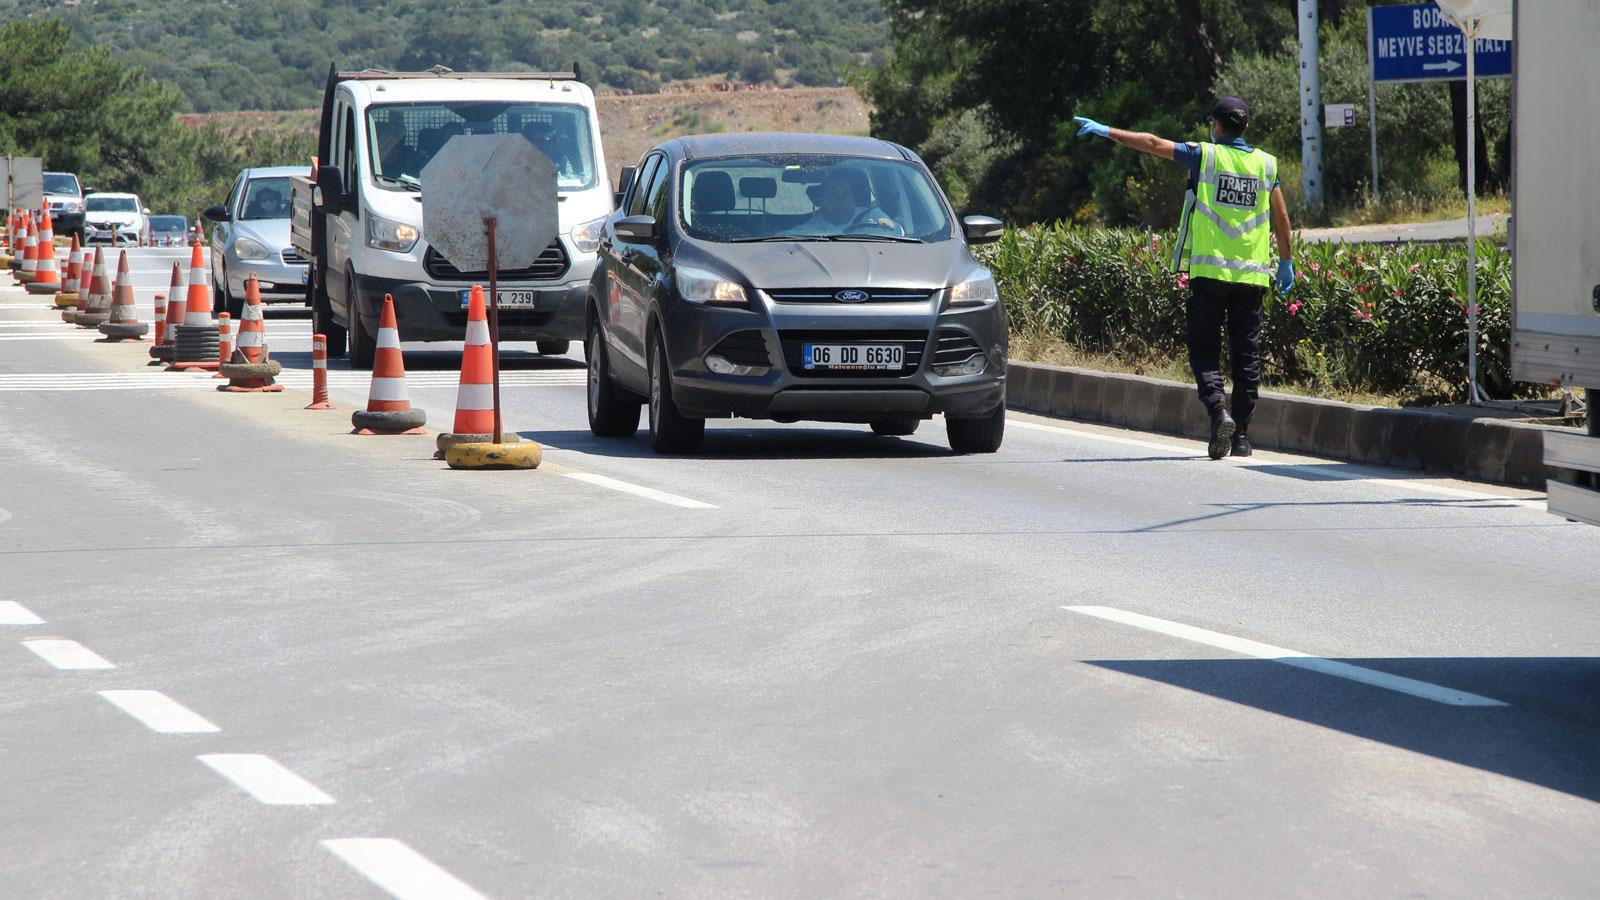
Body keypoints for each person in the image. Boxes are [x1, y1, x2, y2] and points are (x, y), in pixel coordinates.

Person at [1073, 97, 1294, 460]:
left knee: (1204, 349)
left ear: (1216, 126)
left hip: (1209, 273)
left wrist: (1108, 131)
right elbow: (1281, 217)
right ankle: (1241, 436)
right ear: (1246, 129)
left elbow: (1153, 143)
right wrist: (1286, 261)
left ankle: (1217, 411)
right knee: (1246, 356)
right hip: (1252, 277)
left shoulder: (1204, 155)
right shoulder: (1266, 164)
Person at [797, 169, 901, 236]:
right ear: (822, 201)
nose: (841, 201)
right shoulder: (809, 230)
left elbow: (901, 233)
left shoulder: (873, 216)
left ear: (853, 197)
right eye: (834, 197)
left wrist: (892, 226)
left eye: (846, 195)